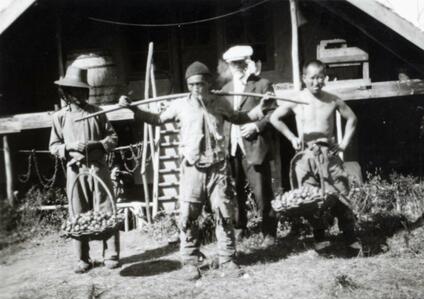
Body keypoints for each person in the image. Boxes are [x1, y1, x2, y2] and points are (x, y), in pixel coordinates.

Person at [119, 61, 267, 280]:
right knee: (189, 215)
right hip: (192, 169)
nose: (197, 88)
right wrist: (133, 109)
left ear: (208, 83)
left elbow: (239, 118)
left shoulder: (220, 103)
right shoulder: (180, 105)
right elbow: (157, 119)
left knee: (224, 213)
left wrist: (260, 109)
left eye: (200, 83)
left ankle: (227, 259)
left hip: (218, 169)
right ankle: (190, 261)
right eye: (192, 85)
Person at [270, 60, 361, 251]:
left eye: (320, 77)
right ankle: (320, 239)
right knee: (311, 199)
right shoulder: (297, 99)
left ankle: (351, 239)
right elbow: (274, 118)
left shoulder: (332, 100)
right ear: (304, 78)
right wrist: (292, 138)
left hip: (329, 155)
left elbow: (352, 118)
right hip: (306, 157)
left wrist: (343, 143)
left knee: (340, 193)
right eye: (312, 77)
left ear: (325, 79)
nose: (317, 82)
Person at [49, 66, 120, 273]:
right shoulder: (60, 117)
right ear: (66, 93)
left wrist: (96, 144)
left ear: (86, 92)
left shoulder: (98, 113)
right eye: (73, 91)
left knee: (107, 210)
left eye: (81, 91)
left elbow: (113, 138)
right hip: (75, 170)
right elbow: (53, 146)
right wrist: (69, 147)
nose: (77, 95)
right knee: (78, 213)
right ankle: (83, 259)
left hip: (98, 168)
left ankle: (111, 255)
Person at [221, 45, 277, 247]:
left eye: (240, 63)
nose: (237, 67)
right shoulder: (225, 90)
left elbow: (273, 114)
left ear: (248, 63)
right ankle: (240, 228)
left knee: (262, 191)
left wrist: (256, 126)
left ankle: (269, 232)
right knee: (235, 191)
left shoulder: (262, 85)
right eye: (233, 64)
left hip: (254, 147)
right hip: (232, 147)